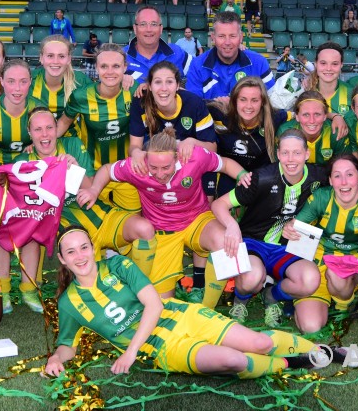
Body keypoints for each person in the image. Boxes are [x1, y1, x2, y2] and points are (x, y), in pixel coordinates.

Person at [42, 227, 336, 379]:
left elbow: (155, 305)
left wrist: (129, 353)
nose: (80, 256)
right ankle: (289, 363)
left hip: (182, 317)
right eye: (71, 252)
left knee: (258, 343)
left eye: (84, 247)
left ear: (93, 248)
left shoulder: (118, 266)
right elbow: (68, 343)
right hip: (165, 348)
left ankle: (325, 353)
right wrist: (56, 358)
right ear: (63, 260)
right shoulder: (69, 303)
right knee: (232, 360)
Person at [77, 128, 249, 309]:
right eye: (154, 167)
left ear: (177, 157)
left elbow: (226, 164)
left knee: (225, 240)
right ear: (146, 160)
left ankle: (208, 310)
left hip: (197, 221)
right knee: (161, 304)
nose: (160, 174)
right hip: (163, 231)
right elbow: (107, 170)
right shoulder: (137, 166)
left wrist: (243, 175)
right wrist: (94, 190)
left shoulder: (194, 157)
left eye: (166, 167)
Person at [14, 107, 157, 294]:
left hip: (102, 217)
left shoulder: (72, 145)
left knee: (145, 229)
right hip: (73, 235)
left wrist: (75, 167)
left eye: (49, 127)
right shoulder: (23, 163)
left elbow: (90, 187)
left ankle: (139, 290)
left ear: (57, 128)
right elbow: (25, 210)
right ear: (29, 133)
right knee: (95, 291)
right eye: (38, 129)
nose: (44, 134)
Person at [212, 129, 328, 327]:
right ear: (278, 153)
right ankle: (240, 300)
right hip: (255, 242)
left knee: (309, 280)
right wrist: (232, 226)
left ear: (307, 154)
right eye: (285, 153)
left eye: (297, 153)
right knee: (252, 278)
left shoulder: (319, 177)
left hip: (288, 246)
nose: (291, 159)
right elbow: (218, 204)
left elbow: (342, 187)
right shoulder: (261, 178)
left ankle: (271, 295)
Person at [284, 154, 358, 333]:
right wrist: (289, 228)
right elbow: (298, 228)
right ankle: (302, 299)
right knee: (310, 327)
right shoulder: (320, 198)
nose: (343, 182)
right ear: (330, 181)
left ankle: (343, 304)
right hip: (317, 267)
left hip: (348, 270)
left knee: (336, 272)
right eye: (337, 176)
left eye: (350, 174)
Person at [57, 43, 139, 211]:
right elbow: (64, 123)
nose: (110, 72)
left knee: (132, 222)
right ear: (96, 68)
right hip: (91, 172)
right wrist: (41, 143)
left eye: (116, 66)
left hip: (125, 171)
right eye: (104, 66)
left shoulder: (134, 91)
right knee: (96, 220)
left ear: (125, 67)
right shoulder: (81, 96)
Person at [206, 77, 292, 198]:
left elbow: (302, 113)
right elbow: (187, 101)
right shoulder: (220, 113)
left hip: (261, 176)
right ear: (234, 100)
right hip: (227, 173)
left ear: (262, 102)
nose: (248, 106)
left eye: (255, 100)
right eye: (243, 99)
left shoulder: (274, 118)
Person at [186, 11, 274, 101]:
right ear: (213, 37)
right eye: (221, 36)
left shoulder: (259, 63)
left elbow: (272, 103)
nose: (227, 42)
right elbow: (193, 107)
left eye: (232, 36)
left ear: (241, 37)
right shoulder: (197, 65)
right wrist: (216, 106)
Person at [0, 59, 45, 165]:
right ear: (2, 81)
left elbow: (50, 141)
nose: (17, 88)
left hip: (29, 170)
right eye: (11, 81)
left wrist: (37, 144)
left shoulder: (39, 110)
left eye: (23, 81)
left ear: (30, 82)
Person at [278, 90, 354, 166]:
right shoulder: (285, 132)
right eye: (306, 115)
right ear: (297, 116)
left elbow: (344, 167)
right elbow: (280, 167)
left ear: (325, 116)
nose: (312, 121)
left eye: (317, 114)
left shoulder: (335, 132)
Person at [124, 5, 192, 83]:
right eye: (143, 24)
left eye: (154, 24)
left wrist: (181, 89)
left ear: (161, 29)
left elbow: (201, 71)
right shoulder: (121, 57)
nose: (148, 29)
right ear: (135, 29)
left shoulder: (177, 53)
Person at [303, 41, 352, 118]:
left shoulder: (352, 93)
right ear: (316, 63)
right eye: (323, 63)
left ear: (341, 65)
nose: (328, 68)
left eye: (334, 64)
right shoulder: (304, 91)